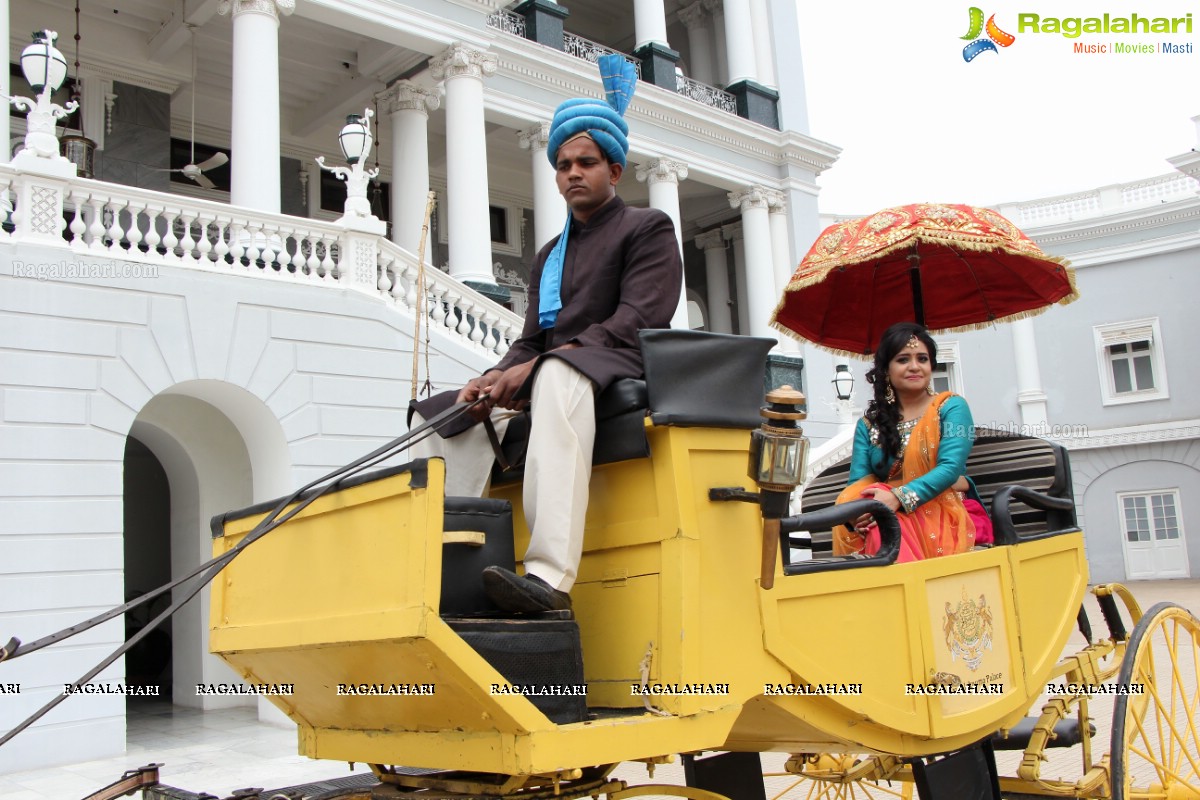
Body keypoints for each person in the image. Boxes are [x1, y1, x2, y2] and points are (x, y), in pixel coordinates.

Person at [411, 57, 682, 613]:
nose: (572, 173)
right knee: (440, 415)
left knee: (558, 372)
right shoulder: (548, 255)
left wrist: (542, 365)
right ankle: (447, 569)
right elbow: (533, 338)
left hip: (622, 362)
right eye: (563, 165)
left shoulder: (647, 227)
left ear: (615, 171)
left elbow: (641, 316)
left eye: (586, 162)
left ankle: (549, 578)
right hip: (561, 370)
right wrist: (490, 378)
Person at [832, 322, 989, 562]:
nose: (914, 367)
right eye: (903, 359)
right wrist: (857, 514)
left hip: (944, 510)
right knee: (875, 517)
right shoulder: (868, 425)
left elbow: (950, 468)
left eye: (922, 359)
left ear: (931, 366)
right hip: (886, 510)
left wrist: (899, 498)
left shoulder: (952, 407)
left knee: (883, 522)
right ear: (886, 369)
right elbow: (858, 483)